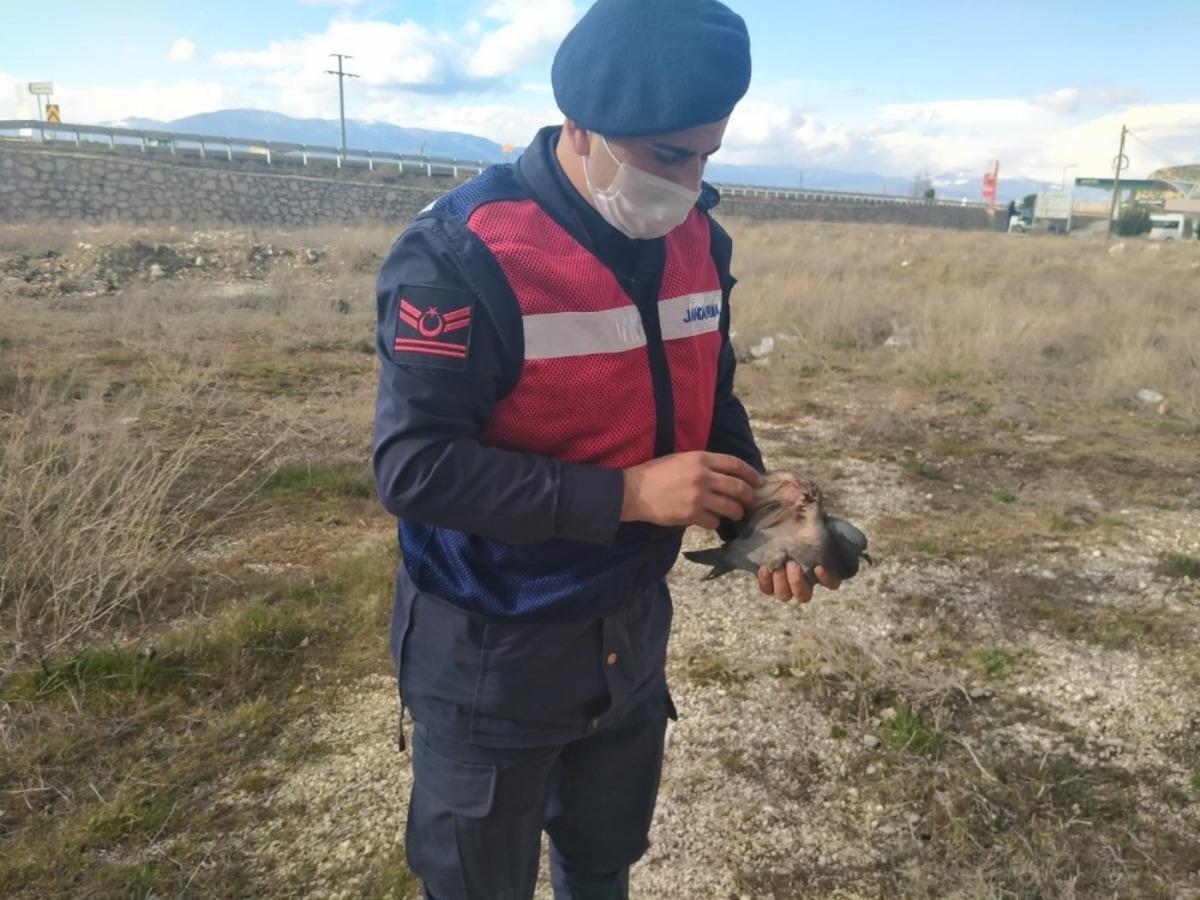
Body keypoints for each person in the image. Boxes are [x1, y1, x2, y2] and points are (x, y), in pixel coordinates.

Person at [372, 1, 840, 896]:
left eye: (706, 156)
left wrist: (756, 514)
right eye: (667, 155)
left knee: (601, 862)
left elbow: (708, 399)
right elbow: (415, 468)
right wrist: (625, 495)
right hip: (491, 647)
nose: (688, 182)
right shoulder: (461, 254)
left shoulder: (698, 240)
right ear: (581, 126)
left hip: (630, 631)